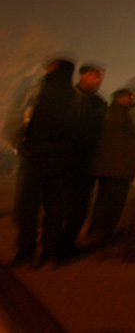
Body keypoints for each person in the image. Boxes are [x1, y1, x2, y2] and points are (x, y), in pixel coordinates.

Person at [11, 57, 83, 267]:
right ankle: (51, 252)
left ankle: (26, 253)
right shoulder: (74, 97)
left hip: (36, 158)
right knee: (55, 208)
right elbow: (77, 131)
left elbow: (24, 121)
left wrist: (23, 145)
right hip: (61, 161)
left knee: (29, 209)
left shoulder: (39, 91)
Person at [87, 88, 135, 246]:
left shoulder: (110, 112)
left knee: (103, 200)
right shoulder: (121, 115)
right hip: (118, 167)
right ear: (121, 97)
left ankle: (96, 231)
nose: (132, 99)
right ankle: (106, 234)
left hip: (106, 166)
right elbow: (130, 141)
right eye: (130, 96)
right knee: (114, 202)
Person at [61, 62, 107, 259]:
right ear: (83, 76)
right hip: (68, 159)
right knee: (62, 204)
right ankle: (56, 245)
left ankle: (68, 243)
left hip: (87, 160)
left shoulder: (98, 102)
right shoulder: (68, 97)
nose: (98, 80)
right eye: (94, 76)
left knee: (80, 205)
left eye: (99, 77)